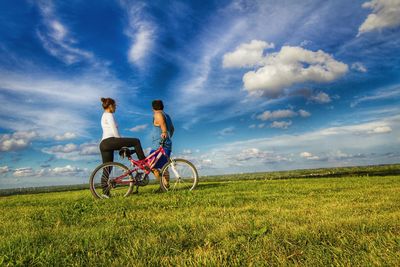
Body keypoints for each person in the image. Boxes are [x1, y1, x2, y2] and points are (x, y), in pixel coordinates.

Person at [99, 98, 146, 197]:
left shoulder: (103, 115)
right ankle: (144, 163)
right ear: (110, 106)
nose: (116, 107)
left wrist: (122, 146)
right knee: (136, 141)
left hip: (104, 144)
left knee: (107, 168)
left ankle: (105, 193)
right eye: (115, 105)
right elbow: (114, 131)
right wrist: (122, 145)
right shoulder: (109, 115)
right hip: (110, 140)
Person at [150, 100, 174, 190]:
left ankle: (162, 185)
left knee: (149, 165)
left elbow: (163, 124)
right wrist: (168, 137)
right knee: (164, 166)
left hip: (159, 144)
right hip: (167, 143)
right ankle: (166, 185)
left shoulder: (157, 114)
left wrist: (164, 132)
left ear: (153, 108)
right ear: (163, 106)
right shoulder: (167, 116)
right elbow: (172, 129)